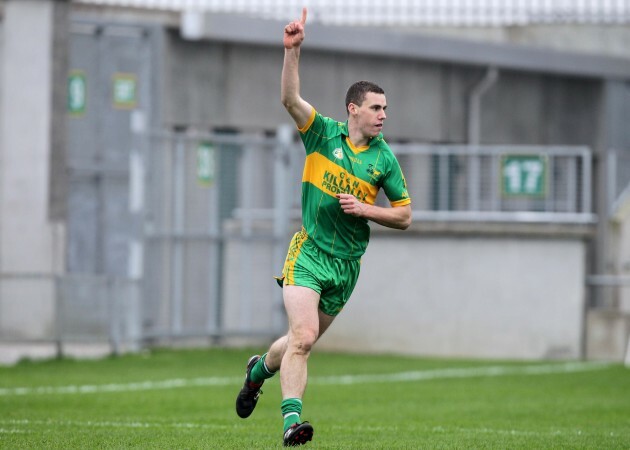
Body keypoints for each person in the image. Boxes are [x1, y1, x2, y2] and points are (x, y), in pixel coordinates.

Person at [235, 7, 412, 447]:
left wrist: (367, 210)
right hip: (310, 253)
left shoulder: (384, 159)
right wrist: (292, 52)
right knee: (305, 337)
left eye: (385, 108)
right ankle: (292, 424)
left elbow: (405, 216)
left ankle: (258, 370)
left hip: (347, 266)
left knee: (297, 341)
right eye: (375, 108)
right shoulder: (323, 135)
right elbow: (290, 100)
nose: (383, 115)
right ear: (353, 109)